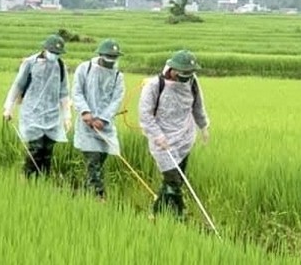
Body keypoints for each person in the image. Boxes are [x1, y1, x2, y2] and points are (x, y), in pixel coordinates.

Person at [139, 49, 210, 218]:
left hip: (184, 137)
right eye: (184, 73)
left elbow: (198, 105)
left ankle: (155, 214)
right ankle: (180, 215)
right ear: (173, 69)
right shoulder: (155, 85)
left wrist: (204, 126)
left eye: (190, 73)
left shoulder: (192, 81)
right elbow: (145, 115)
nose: (187, 76)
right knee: (173, 180)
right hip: (162, 140)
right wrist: (158, 136)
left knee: (177, 180)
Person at [2, 34, 72, 178]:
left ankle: (43, 182)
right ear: (45, 49)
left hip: (52, 115)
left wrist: (67, 117)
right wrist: (8, 108)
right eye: (53, 52)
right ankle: (26, 178)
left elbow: (64, 93)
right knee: (36, 148)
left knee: (47, 152)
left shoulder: (60, 66)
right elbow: (17, 86)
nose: (55, 55)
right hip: (32, 113)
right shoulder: (30, 63)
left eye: (58, 53)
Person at [72, 39, 126, 199]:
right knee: (93, 160)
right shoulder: (85, 68)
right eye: (108, 56)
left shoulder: (118, 76)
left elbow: (116, 99)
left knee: (99, 162)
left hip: (105, 127)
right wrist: (85, 112)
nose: (111, 60)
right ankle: (98, 197)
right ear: (100, 55)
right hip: (86, 126)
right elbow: (76, 92)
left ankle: (84, 194)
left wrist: (103, 119)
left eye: (114, 57)